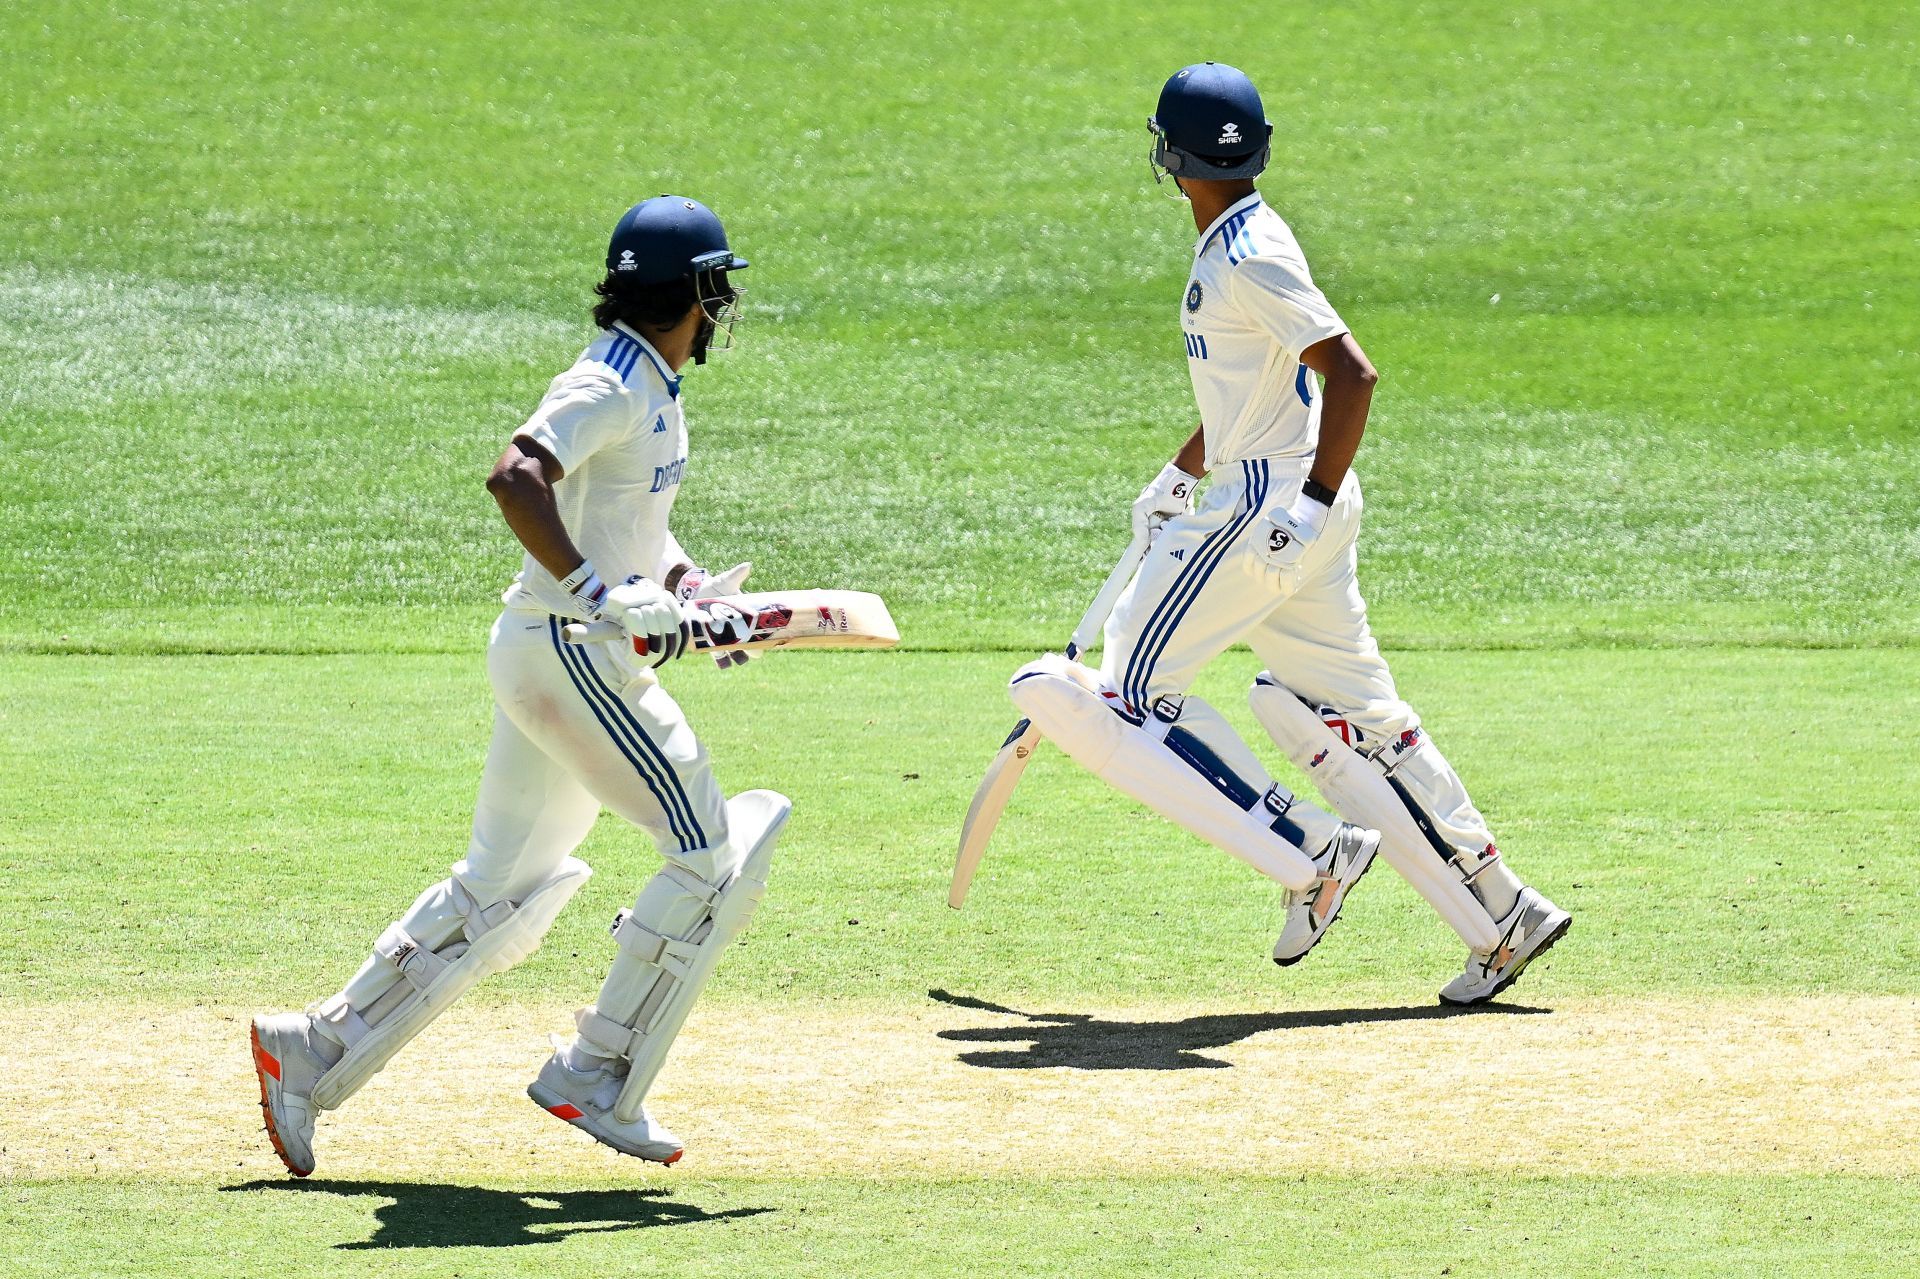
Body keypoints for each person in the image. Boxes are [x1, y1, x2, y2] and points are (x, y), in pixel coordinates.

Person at [251, 196, 791, 1175]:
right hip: (571, 651)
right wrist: (596, 592)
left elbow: (621, 517)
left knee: (500, 890)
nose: (724, 309)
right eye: (720, 289)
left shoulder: (651, 384)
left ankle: (310, 1048)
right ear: (696, 293)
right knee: (711, 853)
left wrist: (679, 586)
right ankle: (597, 1072)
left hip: (553, 648)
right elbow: (515, 474)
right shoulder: (612, 380)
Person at [1008, 63, 1569, 1004]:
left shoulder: (1240, 253)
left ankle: (1310, 848)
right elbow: (1259, 389)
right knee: (1364, 717)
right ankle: (1502, 905)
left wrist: (1301, 500)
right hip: (1288, 496)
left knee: (1132, 691)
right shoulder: (1250, 236)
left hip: (1274, 504)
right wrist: (1182, 470)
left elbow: (1353, 375)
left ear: (1168, 157)